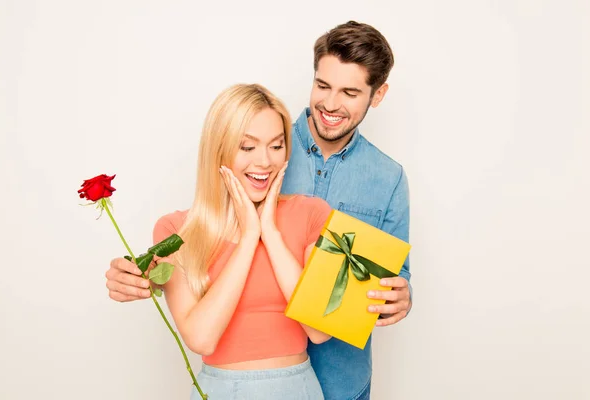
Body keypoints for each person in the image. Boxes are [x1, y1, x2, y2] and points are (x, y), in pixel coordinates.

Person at [106, 21, 412, 400]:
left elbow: (351, 305)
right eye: (323, 85)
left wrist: (400, 294)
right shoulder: (179, 226)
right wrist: (144, 276)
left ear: (377, 94)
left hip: (334, 379)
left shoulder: (378, 183)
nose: (331, 103)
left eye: (349, 92)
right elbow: (197, 324)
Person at [136, 83, 334, 399]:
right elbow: (201, 339)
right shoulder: (176, 230)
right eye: (247, 147)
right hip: (221, 390)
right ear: (220, 149)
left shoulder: (312, 213)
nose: (265, 162)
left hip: (298, 388)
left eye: (276, 145)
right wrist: (248, 239)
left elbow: (320, 329)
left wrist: (270, 232)